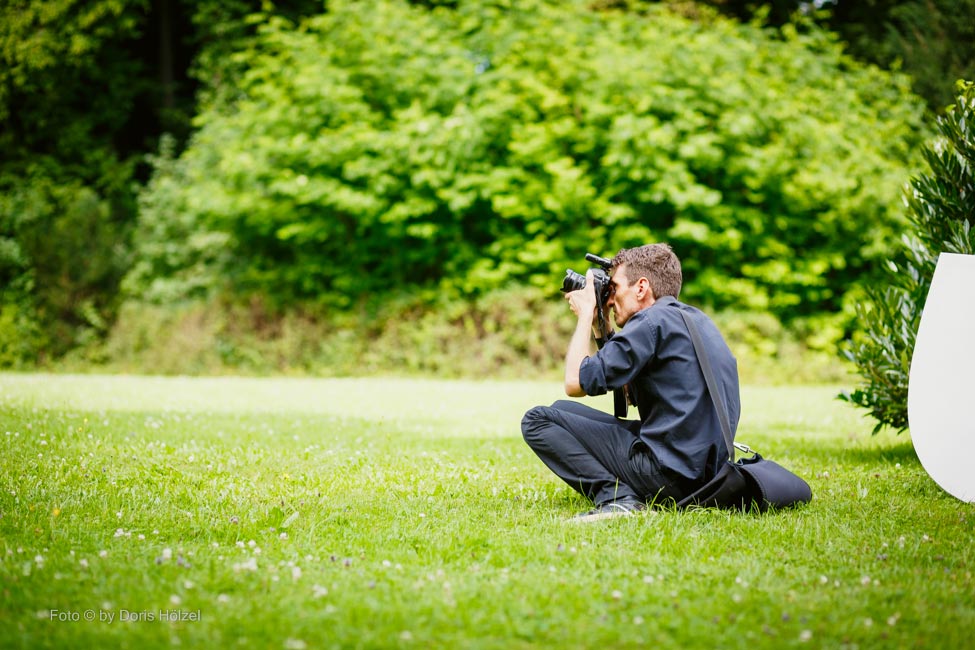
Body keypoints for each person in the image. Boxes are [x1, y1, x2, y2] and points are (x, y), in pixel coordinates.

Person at [521, 243, 740, 521]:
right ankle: (625, 494)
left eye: (615, 289)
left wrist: (587, 312)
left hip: (670, 477)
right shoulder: (690, 319)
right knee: (562, 412)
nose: (610, 301)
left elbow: (575, 381)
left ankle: (618, 499)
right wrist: (602, 327)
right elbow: (627, 392)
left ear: (641, 288)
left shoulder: (649, 322)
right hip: (705, 472)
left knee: (538, 420)